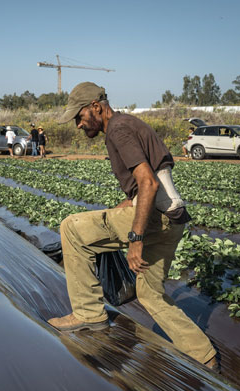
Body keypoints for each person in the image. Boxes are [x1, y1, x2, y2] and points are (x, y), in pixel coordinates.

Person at [47, 82, 218, 371]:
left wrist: (135, 238)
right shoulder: (131, 123)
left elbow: (148, 182)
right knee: (149, 293)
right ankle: (205, 356)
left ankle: (89, 314)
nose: (78, 125)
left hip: (151, 218)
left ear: (96, 107)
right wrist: (128, 204)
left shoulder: (118, 129)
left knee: (72, 228)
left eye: (79, 116)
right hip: (172, 218)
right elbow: (156, 180)